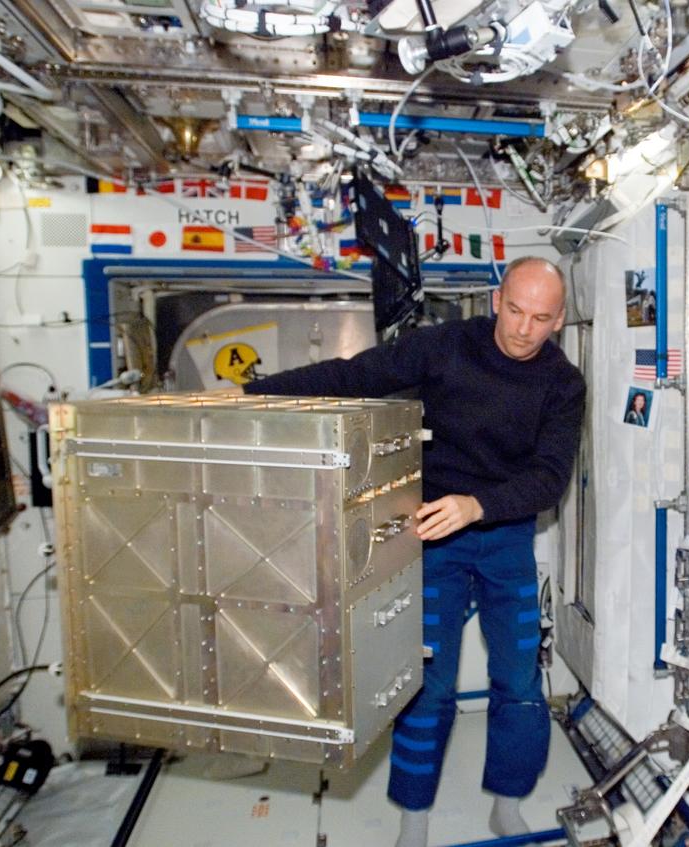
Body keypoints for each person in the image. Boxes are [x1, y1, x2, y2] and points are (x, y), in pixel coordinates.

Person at [242, 256, 585, 847]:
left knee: (519, 680)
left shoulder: (563, 384)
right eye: (515, 311)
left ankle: (508, 802)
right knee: (427, 682)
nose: (524, 330)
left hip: (505, 538)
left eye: (541, 319)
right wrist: (251, 394)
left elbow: (550, 478)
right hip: (431, 535)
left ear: (558, 321)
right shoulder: (445, 347)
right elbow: (352, 376)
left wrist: (477, 506)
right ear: (496, 300)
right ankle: (414, 815)